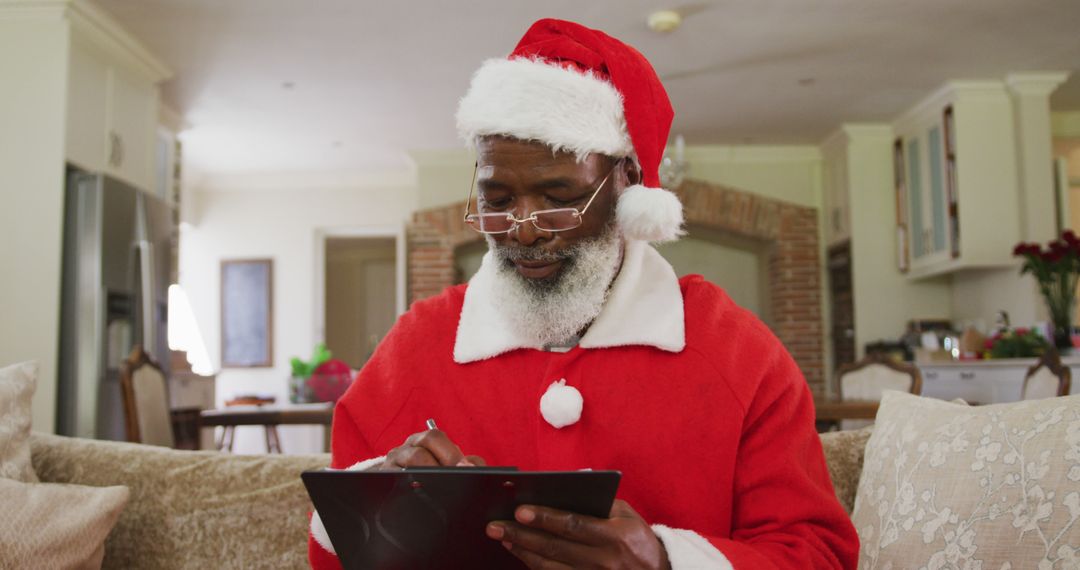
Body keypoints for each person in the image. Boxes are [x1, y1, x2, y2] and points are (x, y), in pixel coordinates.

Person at [309, 18, 858, 570]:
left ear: (628, 181)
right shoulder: (417, 346)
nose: (523, 228)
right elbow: (331, 549)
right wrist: (379, 504)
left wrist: (668, 562)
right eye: (497, 199)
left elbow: (819, 554)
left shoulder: (735, 351)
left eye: (557, 195)